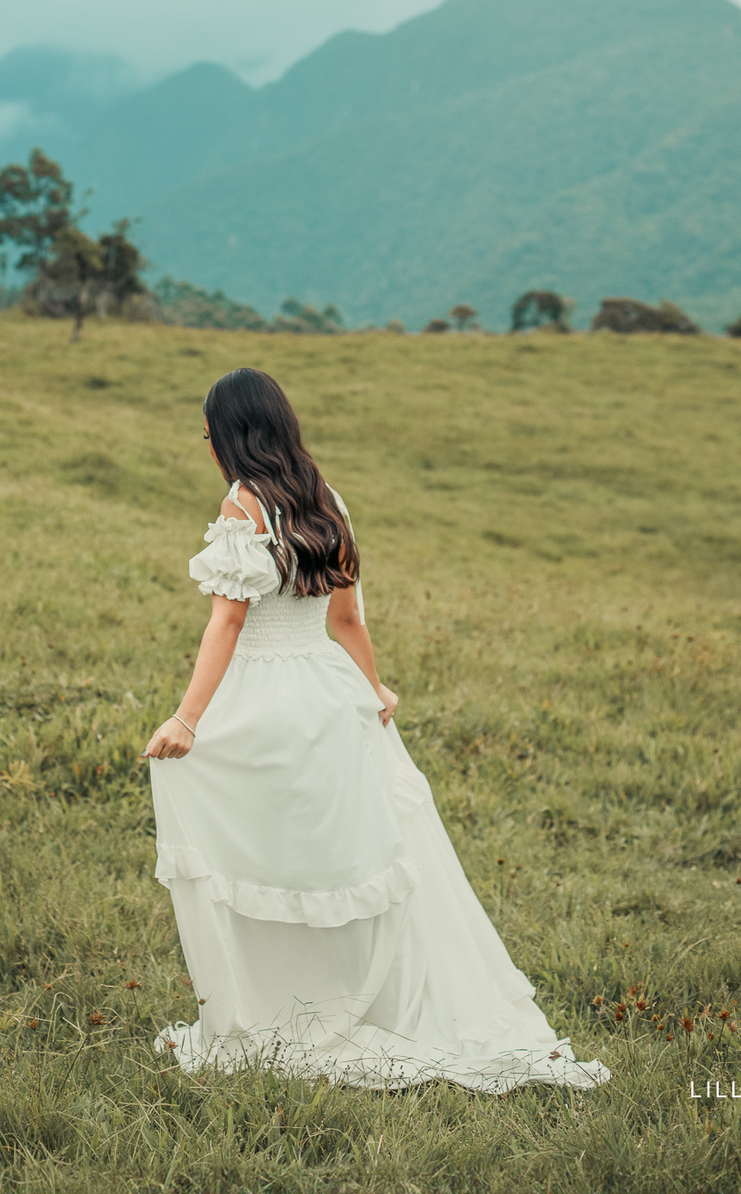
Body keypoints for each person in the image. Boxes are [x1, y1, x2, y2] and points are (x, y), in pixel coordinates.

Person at [143, 366, 608, 1092]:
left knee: (266, 850)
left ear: (230, 437)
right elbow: (347, 618)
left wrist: (186, 718)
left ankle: (282, 1005)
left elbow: (227, 624)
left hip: (264, 698)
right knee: (344, 854)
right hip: (329, 693)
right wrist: (372, 684)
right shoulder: (326, 500)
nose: (207, 448)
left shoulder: (242, 506)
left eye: (207, 435)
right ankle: (347, 994)